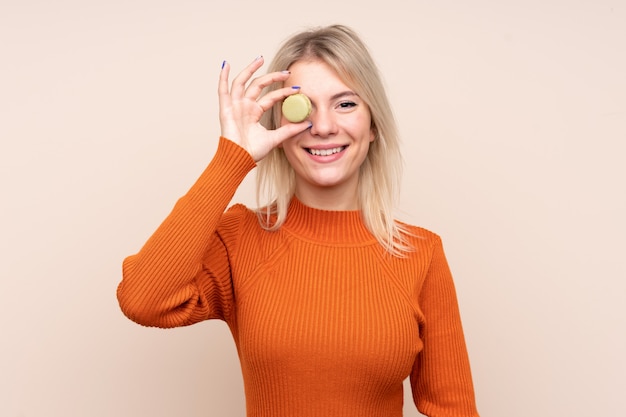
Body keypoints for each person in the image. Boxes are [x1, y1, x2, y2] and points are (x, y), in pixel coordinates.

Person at [117, 24, 480, 417]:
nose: (323, 127)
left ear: (373, 125)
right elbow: (142, 300)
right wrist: (231, 158)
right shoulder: (240, 238)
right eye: (302, 107)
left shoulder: (420, 254)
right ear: (278, 126)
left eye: (345, 104)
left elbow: (454, 409)